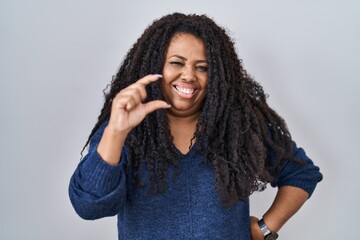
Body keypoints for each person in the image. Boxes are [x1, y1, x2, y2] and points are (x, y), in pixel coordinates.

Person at [69, 12, 322, 240]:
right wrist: (116, 132)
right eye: (177, 63)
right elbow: (89, 206)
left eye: (202, 67)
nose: (189, 75)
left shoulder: (239, 125)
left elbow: (301, 174)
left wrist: (264, 229)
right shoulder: (125, 129)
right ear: (154, 65)